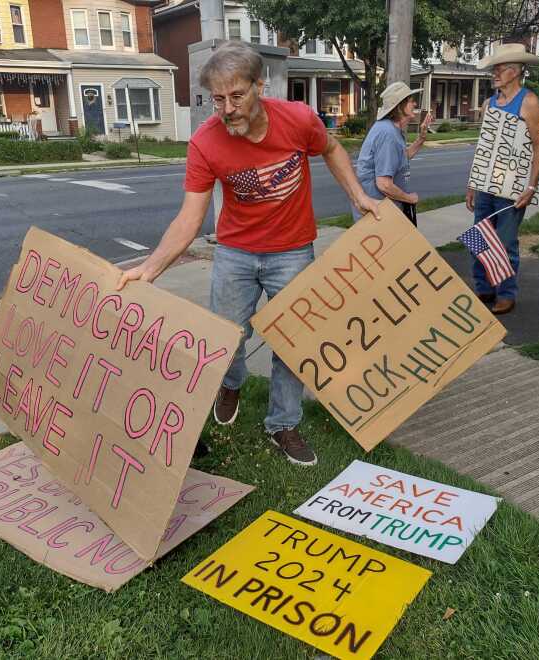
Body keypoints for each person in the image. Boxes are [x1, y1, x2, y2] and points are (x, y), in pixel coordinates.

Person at [116, 42, 380, 465]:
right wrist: (150, 268)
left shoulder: (297, 119)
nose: (227, 109)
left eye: (237, 96)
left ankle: (283, 424)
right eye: (218, 99)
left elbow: (330, 148)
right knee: (226, 340)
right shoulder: (205, 142)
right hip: (235, 253)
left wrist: (360, 196)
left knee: (294, 342)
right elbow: (189, 217)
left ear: (261, 86)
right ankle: (232, 382)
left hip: (292, 252)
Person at [465, 43, 539, 315]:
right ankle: (484, 286)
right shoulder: (489, 104)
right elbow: (484, 147)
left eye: (498, 69)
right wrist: (472, 183)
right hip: (486, 183)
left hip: (512, 186)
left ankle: (506, 293)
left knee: (505, 240)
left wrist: (531, 187)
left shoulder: (528, 101)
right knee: (480, 235)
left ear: (515, 71)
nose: (494, 74)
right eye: (494, 70)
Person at [354, 81, 432, 224]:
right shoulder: (388, 134)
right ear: (399, 106)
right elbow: (384, 184)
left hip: (384, 211)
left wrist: (421, 138)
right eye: (411, 101)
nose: (415, 104)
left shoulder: (392, 130)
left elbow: (402, 158)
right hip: (378, 214)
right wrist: (409, 198)